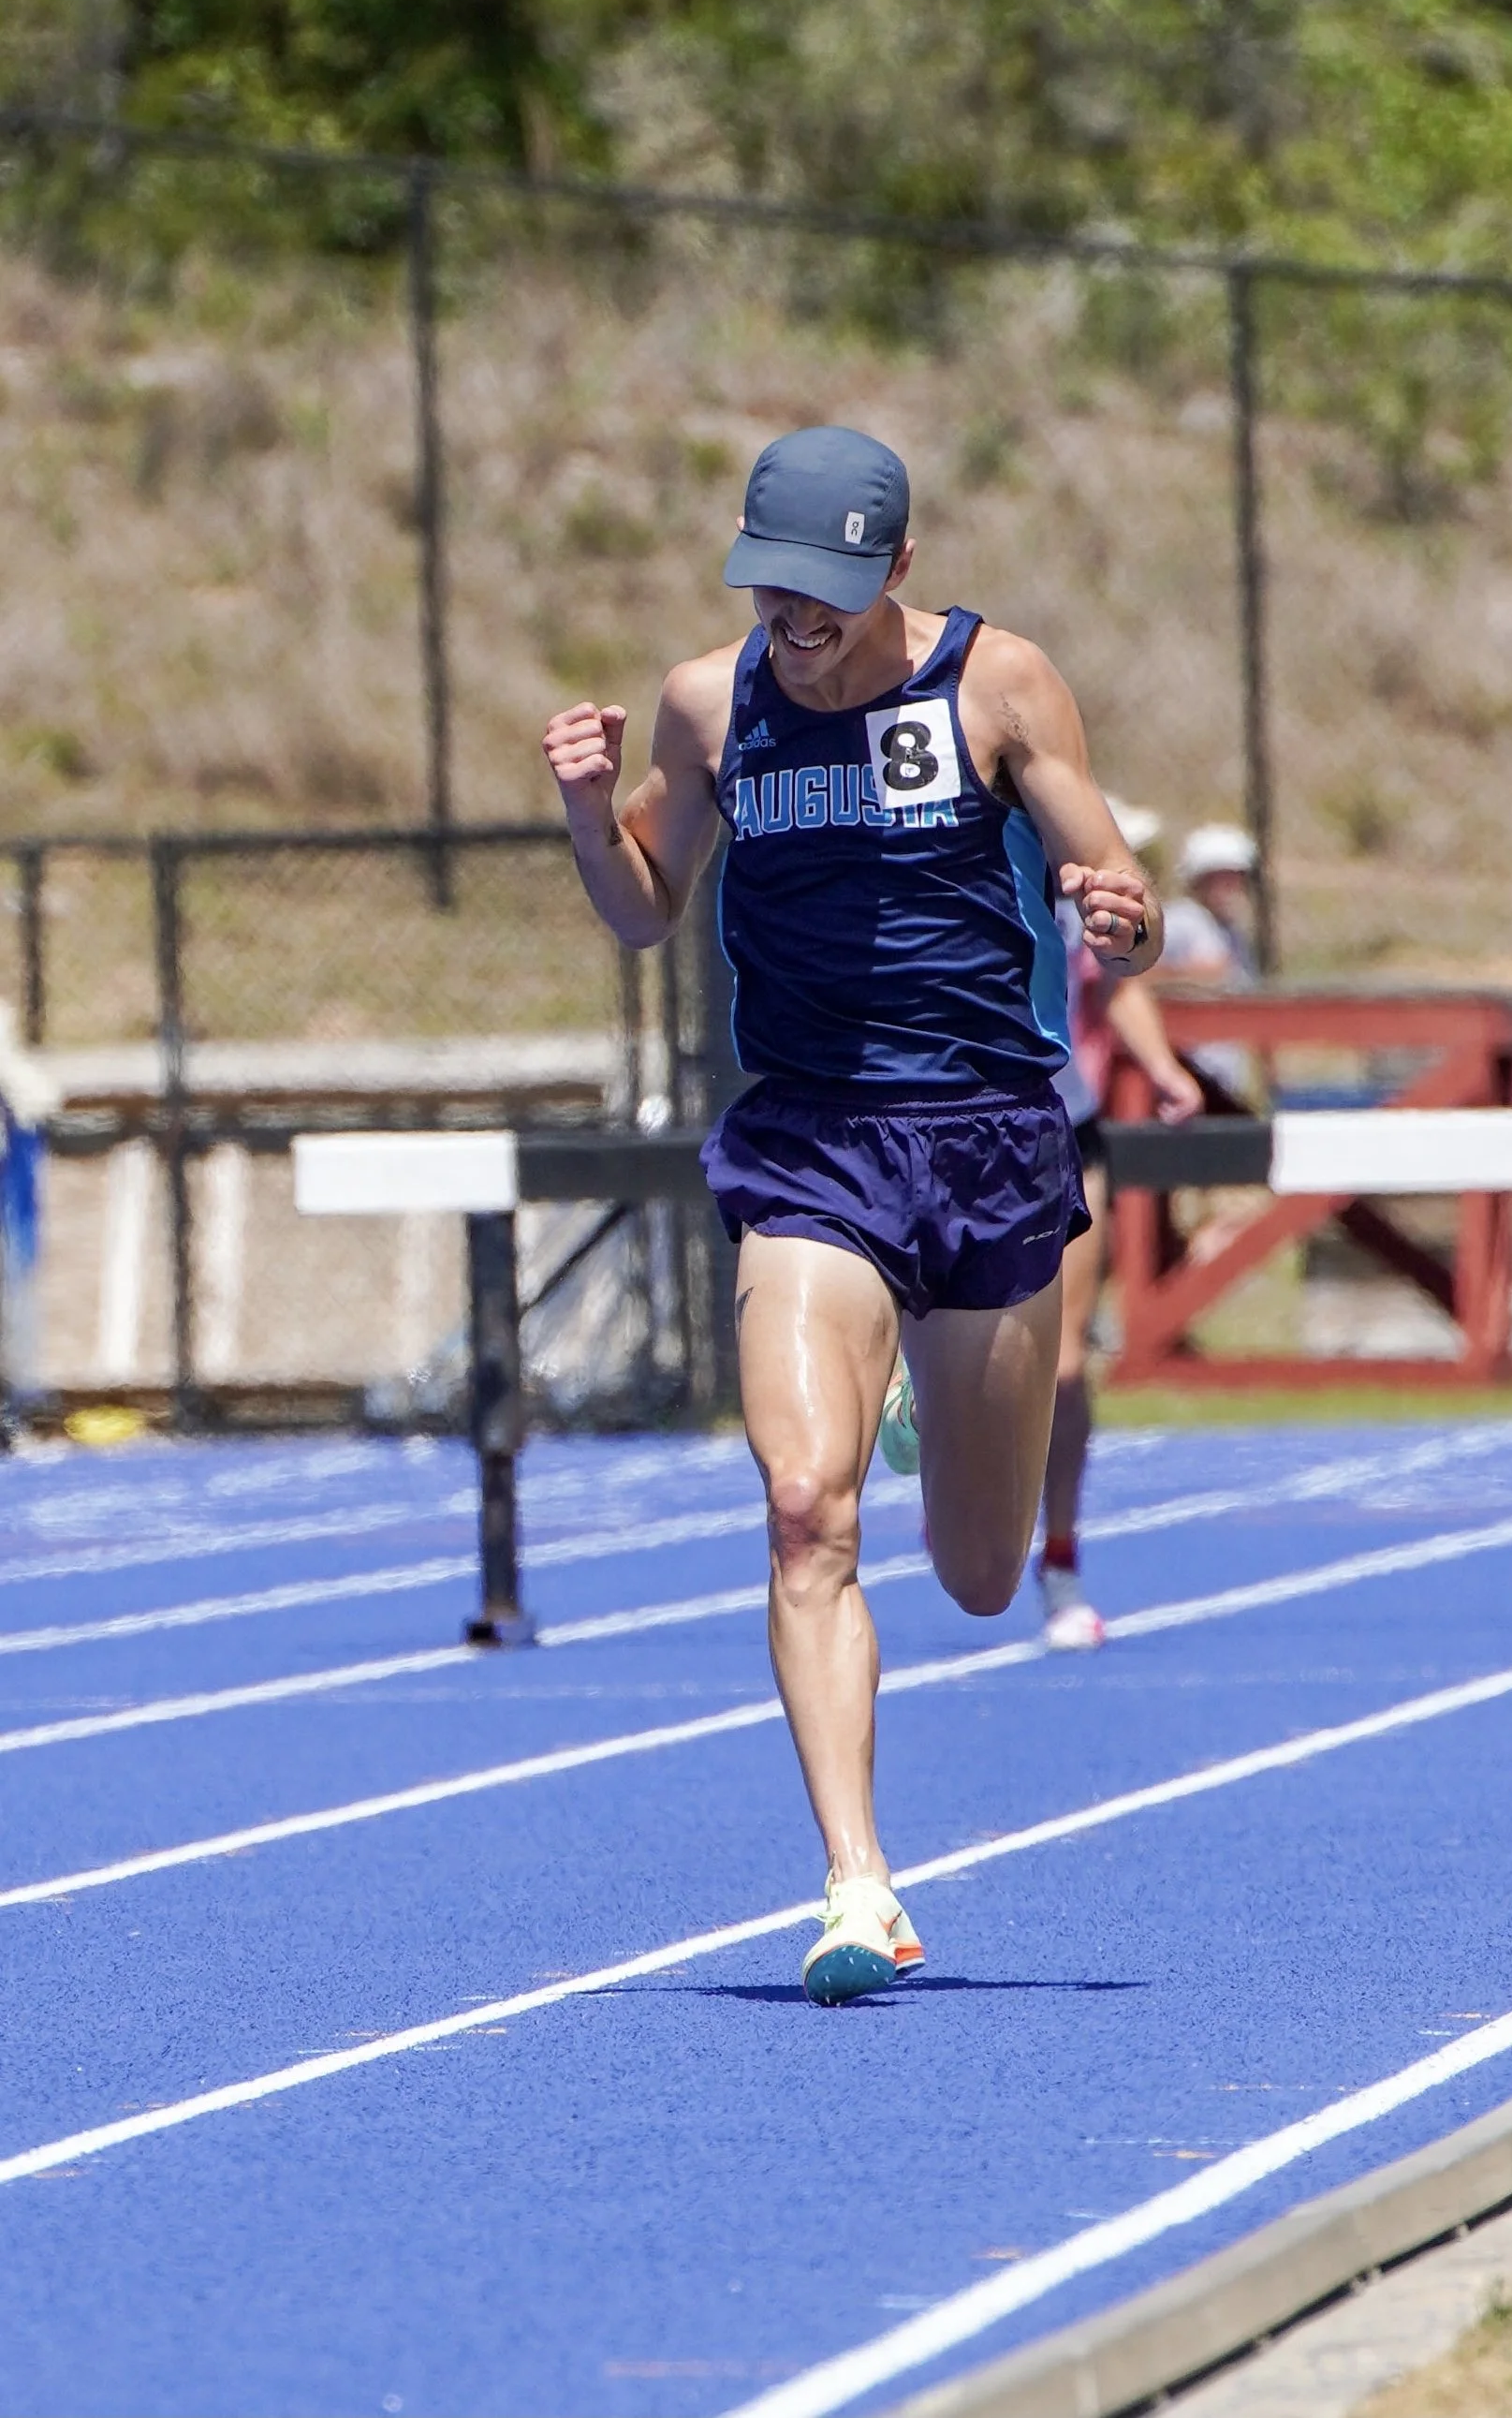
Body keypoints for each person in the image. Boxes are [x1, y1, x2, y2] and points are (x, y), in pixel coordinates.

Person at [542, 424, 1164, 2005]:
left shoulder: (997, 683)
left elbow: (1119, 894)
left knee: (972, 1565)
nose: (794, 620)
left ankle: (922, 1402)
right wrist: (586, 810)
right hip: (814, 1140)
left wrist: (1121, 914)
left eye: (825, 592)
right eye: (772, 588)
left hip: (988, 1139)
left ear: (893, 567)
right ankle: (857, 1879)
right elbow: (640, 907)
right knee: (804, 1505)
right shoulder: (710, 700)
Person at [1037, 804, 1203, 1650]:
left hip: (1066, 1133)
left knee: (1066, 1358)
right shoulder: (956, 857)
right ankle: (954, 1459)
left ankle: (1059, 1559)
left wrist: (1165, 1070)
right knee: (956, 1349)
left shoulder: (1084, 895)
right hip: (954, 1131)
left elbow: (1118, 982)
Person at [1157, 822, 1260, 1107]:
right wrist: (1192, 977)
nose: (1231, 887)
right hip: (1187, 1067)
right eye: (1220, 877)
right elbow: (1134, 980)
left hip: (1224, 1071)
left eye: (1236, 877)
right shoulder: (1180, 921)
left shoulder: (1232, 933)